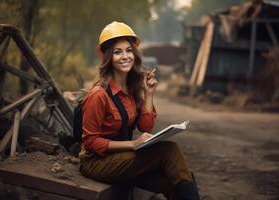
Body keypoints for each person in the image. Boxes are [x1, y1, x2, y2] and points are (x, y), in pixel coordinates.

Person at [79, 21, 201, 200]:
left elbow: (146, 127)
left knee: (179, 177)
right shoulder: (99, 95)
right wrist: (133, 144)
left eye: (128, 50)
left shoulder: (132, 90)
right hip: (96, 162)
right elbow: (90, 142)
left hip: (121, 159)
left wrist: (149, 95)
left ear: (134, 55)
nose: (125, 56)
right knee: (169, 151)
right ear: (108, 58)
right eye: (117, 52)